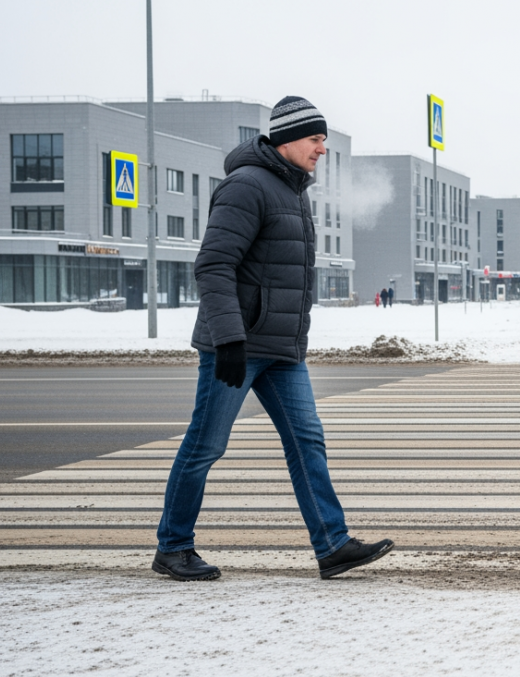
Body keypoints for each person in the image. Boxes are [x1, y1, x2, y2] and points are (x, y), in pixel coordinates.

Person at [154, 96, 394, 581]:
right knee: (206, 445)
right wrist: (228, 340)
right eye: (315, 139)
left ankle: (332, 545)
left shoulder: (293, 191)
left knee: (308, 441)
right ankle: (173, 547)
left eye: (324, 139)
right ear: (286, 140)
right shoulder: (246, 186)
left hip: (282, 350)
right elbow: (214, 265)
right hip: (238, 346)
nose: (322, 149)